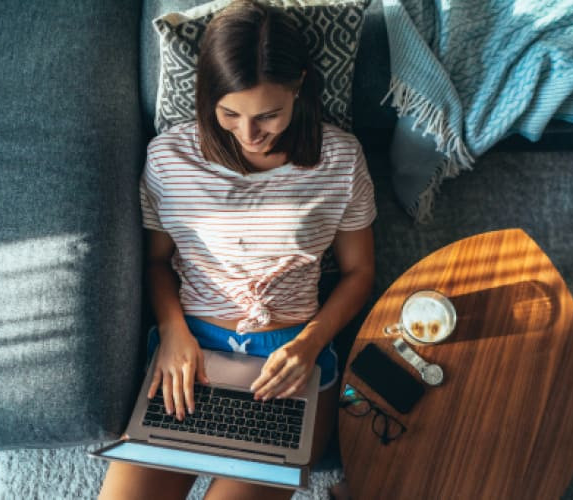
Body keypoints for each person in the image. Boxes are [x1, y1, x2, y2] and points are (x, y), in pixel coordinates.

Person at [99, 1, 376, 498]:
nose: (249, 135)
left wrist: (309, 345)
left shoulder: (339, 158)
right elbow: (158, 261)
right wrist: (171, 331)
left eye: (269, 115)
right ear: (210, 97)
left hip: (290, 360)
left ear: (299, 87)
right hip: (192, 351)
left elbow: (359, 272)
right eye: (230, 113)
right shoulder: (168, 158)